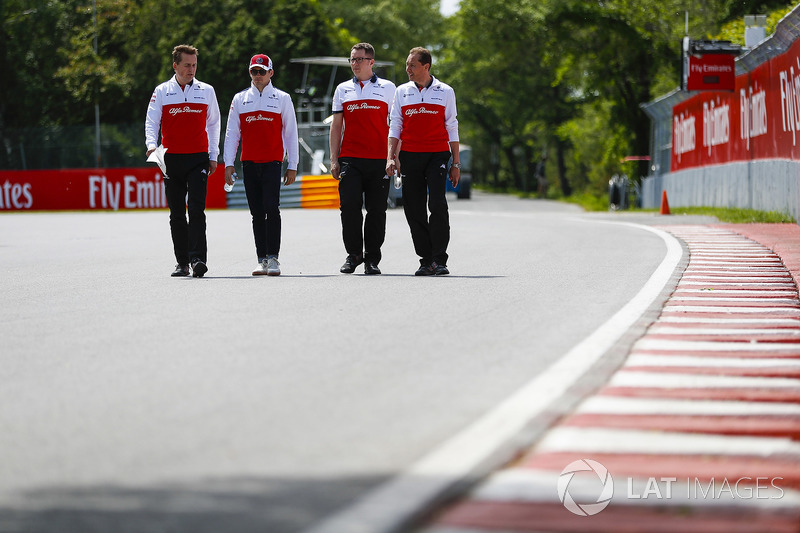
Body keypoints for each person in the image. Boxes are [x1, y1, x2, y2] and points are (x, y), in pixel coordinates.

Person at [145, 44, 221, 278]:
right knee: (177, 213)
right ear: (175, 65)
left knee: (197, 209)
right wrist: (151, 147)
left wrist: (213, 155)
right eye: (187, 65)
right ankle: (182, 262)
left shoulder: (206, 90)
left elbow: (214, 123)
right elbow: (151, 122)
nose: (191, 69)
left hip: (198, 159)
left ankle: (198, 259)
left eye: (194, 65)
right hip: (171, 160)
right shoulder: (161, 91)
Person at [386, 47, 460, 276]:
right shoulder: (401, 91)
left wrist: (455, 164)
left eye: (412, 65)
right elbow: (395, 124)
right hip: (410, 156)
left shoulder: (445, 91)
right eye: (407, 65)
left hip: (437, 154)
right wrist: (391, 156)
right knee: (413, 209)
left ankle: (439, 259)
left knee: (437, 204)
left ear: (426, 67)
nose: (407, 69)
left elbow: (452, 126)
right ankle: (425, 259)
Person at [223, 54, 299, 276]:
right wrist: (229, 163)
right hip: (248, 162)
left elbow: (291, 132)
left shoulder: (282, 98)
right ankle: (261, 259)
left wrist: (292, 164)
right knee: (256, 212)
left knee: (271, 208)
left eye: (261, 71)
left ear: (270, 73)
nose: (257, 75)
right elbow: (232, 134)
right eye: (253, 71)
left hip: (273, 162)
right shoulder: (239, 99)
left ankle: (274, 258)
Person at [330, 43, 396, 275]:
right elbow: (336, 126)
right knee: (349, 207)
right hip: (350, 158)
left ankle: (372, 258)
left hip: (379, 159)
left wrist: (393, 156)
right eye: (352, 59)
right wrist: (333, 159)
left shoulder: (389, 88)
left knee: (377, 210)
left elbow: (396, 125)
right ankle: (354, 254)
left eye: (359, 59)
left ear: (371, 62)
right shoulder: (342, 89)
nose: (355, 64)